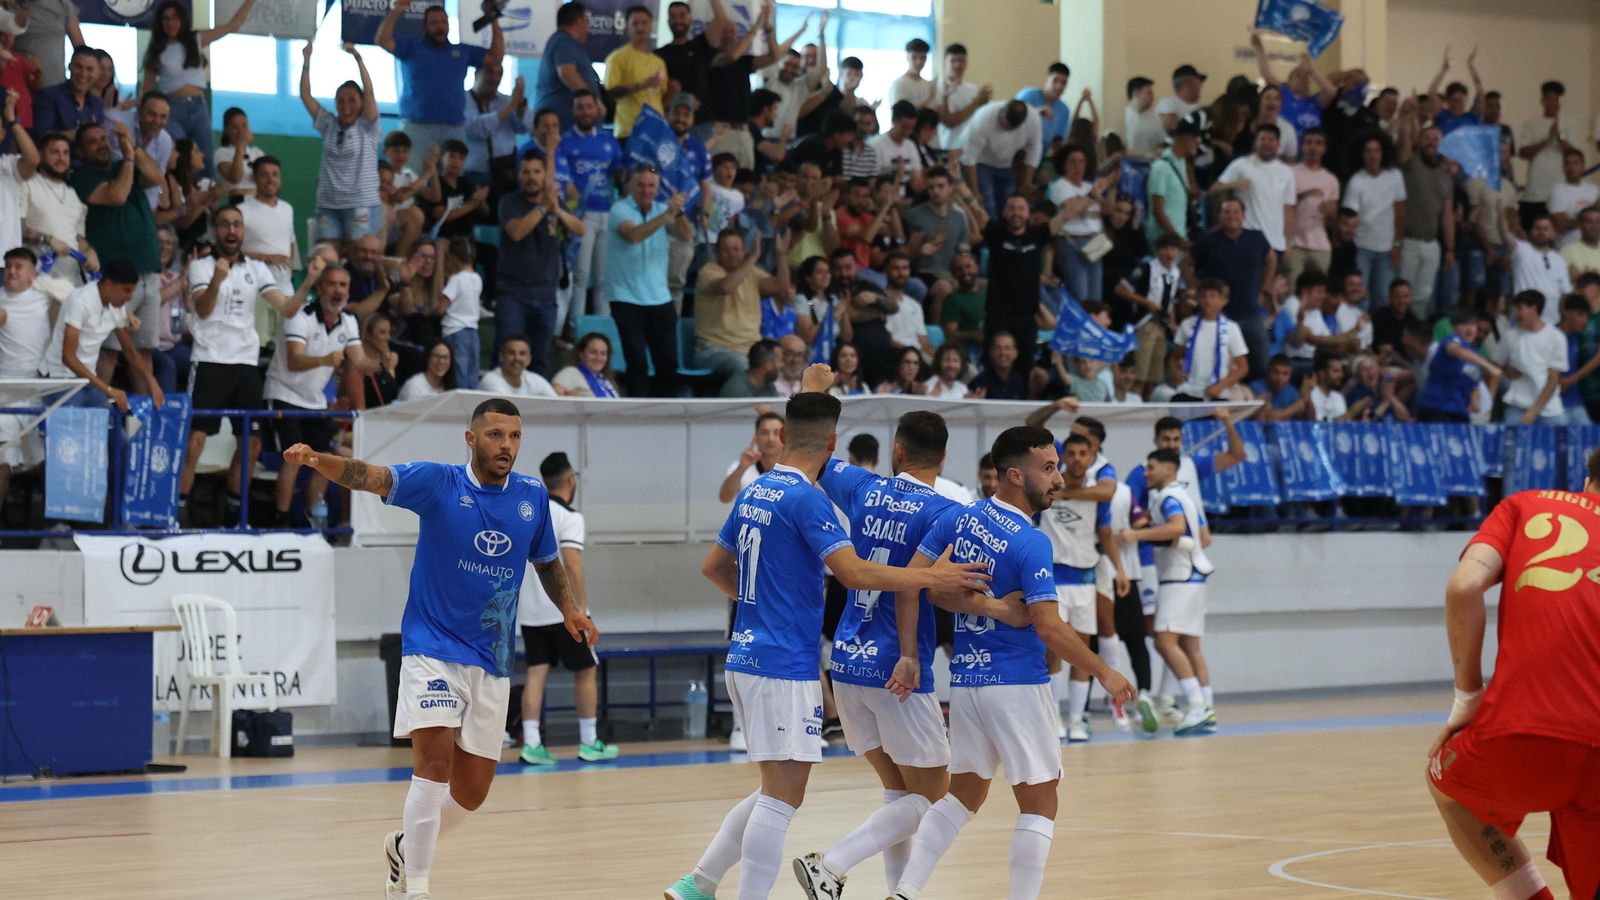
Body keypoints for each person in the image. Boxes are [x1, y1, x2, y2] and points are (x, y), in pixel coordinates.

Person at [663, 375, 992, 900]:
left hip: (772, 655)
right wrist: (935, 577)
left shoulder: (763, 487)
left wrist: (760, 607)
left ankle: (698, 882)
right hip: (809, 663)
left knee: (787, 787)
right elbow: (855, 573)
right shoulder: (815, 499)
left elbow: (713, 566)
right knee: (789, 798)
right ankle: (820, 869)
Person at [283, 399, 591, 900]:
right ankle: (417, 888)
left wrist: (571, 609)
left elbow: (548, 561)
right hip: (430, 646)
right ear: (471, 439)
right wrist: (321, 461)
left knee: (471, 794)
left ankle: (405, 846)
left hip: (491, 659)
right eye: (495, 435)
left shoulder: (532, 497)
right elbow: (371, 476)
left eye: (514, 436)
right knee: (433, 764)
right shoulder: (439, 483)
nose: (506, 446)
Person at [883, 426, 1133, 900]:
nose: (1059, 478)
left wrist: (926, 641)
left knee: (964, 796)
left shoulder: (963, 518)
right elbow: (1049, 627)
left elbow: (917, 580)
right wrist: (1105, 670)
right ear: (1016, 475)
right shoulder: (1030, 541)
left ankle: (904, 892)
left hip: (968, 681)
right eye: (1049, 468)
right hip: (1017, 683)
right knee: (1040, 801)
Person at [792, 412, 1032, 898]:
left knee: (900, 791)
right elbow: (937, 587)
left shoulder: (861, 486)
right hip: (897, 668)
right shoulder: (946, 511)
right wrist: (999, 611)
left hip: (845, 661)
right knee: (935, 796)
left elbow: (816, 457)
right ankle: (831, 864)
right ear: (944, 457)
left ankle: (897, 892)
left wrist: (812, 393)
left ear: (897, 449)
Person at [1426, 459, 1600, 900]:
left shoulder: (1525, 505)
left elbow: (1464, 588)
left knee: (1446, 784)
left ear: (1586, 483)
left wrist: (1467, 702)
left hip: (1523, 735)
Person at [179, 208, 321, 522]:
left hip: (245, 363)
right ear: (215, 230)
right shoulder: (201, 266)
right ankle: (180, 513)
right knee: (194, 443)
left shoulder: (257, 269)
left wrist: (309, 279)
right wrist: (217, 280)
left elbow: (286, 309)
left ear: (244, 231)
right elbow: (202, 311)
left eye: (237, 225)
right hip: (209, 360)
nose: (231, 230)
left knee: (252, 444)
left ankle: (234, 514)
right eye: (225, 224)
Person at [516, 451, 618, 766]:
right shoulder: (570, 517)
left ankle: (531, 743)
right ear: (571, 481)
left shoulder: (528, 510)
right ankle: (589, 742)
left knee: (536, 671)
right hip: (563, 610)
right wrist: (580, 609)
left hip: (529, 610)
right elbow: (571, 564)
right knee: (586, 670)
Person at [1121, 448, 1214, 736]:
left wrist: (1138, 535)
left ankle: (1197, 705)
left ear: (1169, 469)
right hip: (1194, 575)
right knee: (1190, 646)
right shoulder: (1183, 496)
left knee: (1163, 640)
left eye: (1151, 467)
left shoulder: (1168, 497)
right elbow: (1197, 537)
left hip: (1180, 577)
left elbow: (1176, 528)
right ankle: (1207, 707)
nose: (1146, 473)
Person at [264, 264, 364, 527]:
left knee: (325, 459)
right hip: (284, 393)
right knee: (295, 457)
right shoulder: (300, 315)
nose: (338, 290)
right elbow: (294, 362)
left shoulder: (349, 321)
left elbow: (361, 362)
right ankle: (281, 520)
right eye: (332, 284)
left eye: (343, 285)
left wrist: (383, 359)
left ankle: (312, 517)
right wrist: (326, 359)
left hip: (314, 401)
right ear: (320, 288)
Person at [71, 121, 164, 393]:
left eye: (104, 138)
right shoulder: (81, 176)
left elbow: (157, 177)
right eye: (93, 141)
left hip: (148, 271)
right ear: (81, 150)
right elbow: (118, 195)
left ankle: (140, 422)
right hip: (115, 278)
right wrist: (129, 159)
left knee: (143, 351)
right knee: (109, 349)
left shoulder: (124, 166)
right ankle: (98, 411)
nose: (102, 144)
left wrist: (131, 146)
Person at [140, 0, 255, 176]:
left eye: (175, 18)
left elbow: (233, 26)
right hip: (172, 109)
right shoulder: (156, 51)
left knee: (205, 158)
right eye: (166, 19)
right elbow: (146, 93)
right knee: (180, 157)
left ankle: (205, 200)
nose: (171, 23)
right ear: (160, 23)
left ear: (182, 20)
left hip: (198, 106)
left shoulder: (195, 39)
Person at [495, 150, 585, 375]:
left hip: (546, 296)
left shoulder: (555, 203)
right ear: (519, 175)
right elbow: (517, 232)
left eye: (537, 172)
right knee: (506, 357)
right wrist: (543, 208)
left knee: (538, 361)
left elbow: (580, 229)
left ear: (545, 175)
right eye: (526, 172)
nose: (531, 177)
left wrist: (557, 211)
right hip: (513, 294)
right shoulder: (509, 202)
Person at [608, 165, 691, 398]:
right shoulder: (619, 209)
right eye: (641, 185)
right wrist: (666, 215)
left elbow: (687, 235)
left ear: (658, 188)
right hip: (625, 296)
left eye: (651, 185)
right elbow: (633, 236)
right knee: (636, 362)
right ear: (632, 186)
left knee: (668, 362)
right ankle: (637, 415)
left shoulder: (663, 209)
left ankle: (667, 413)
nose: (646, 190)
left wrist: (680, 211)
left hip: (659, 296)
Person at [377, 0, 503, 153]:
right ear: (425, 26)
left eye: (443, 22)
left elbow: (496, 57)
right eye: (434, 23)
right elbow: (382, 40)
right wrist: (399, 9)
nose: (440, 26)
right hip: (418, 128)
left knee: (451, 177)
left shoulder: (462, 51)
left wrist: (493, 18)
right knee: (412, 176)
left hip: (454, 129)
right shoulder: (411, 47)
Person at [41, 259, 162, 411]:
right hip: (60, 380)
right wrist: (109, 390)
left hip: (86, 382)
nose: (130, 297)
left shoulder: (117, 307)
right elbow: (69, 358)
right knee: (80, 431)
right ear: (109, 284)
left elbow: (130, 351)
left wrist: (151, 379)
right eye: (126, 290)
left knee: (111, 430)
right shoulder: (80, 302)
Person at [300, 40, 381, 250]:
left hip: (360, 203)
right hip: (328, 204)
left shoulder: (368, 125)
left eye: (352, 100)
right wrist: (306, 60)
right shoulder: (328, 124)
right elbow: (305, 95)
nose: (345, 106)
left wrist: (358, 58)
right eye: (340, 100)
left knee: (359, 256)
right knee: (326, 258)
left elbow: (370, 91)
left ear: (362, 102)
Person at [556, 90, 625, 329]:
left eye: (589, 106)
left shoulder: (609, 140)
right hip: (580, 217)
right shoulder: (564, 142)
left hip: (608, 213)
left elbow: (622, 173)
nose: (585, 112)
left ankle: (602, 328)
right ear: (573, 111)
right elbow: (564, 182)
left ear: (598, 110)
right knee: (581, 274)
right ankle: (576, 327)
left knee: (604, 278)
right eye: (580, 107)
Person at [696, 228, 790, 388]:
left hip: (751, 350)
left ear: (743, 251)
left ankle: (768, 411)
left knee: (774, 368)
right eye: (726, 250)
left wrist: (781, 255)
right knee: (744, 369)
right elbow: (727, 287)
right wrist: (752, 257)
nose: (732, 254)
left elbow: (781, 287)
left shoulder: (752, 273)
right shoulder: (709, 271)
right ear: (716, 252)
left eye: (736, 249)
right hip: (714, 350)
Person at [1191, 198, 1273, 380]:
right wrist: (1195, 288)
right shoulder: (1208, 241)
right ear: (1220, 216)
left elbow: (1271, 258)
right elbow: (1186, 263)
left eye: (1236, 212)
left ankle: (1257, 398)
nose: (1231, 216)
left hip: (1250, 311)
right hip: (1218, 315)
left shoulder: (1256, 238)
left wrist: (1265, 288)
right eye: (1227, 212)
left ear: (1244, 215)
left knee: (1261, 362)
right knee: (1217, 363)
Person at [1212, 123, 1295, 256]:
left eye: (1270, 140)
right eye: (1262, 139)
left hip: (1275, 242)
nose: (1266, 143)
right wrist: (1232, 185)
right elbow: (1213, 190)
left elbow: (1289, 210)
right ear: (1256, 142)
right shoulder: (1241, 164)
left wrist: (1289, 243)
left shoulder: (1287, 172)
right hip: (1245, 237)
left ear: (1278, 144)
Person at [1344, 132, 1406, 301]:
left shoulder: (1395, 176)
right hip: (1362, 246)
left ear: (1383, 153)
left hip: (1387, 248)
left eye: (1377, 150)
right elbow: (1350, 216)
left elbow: (1400, 213)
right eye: (1368, 151)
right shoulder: (1356, 181)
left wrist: (1397, 245)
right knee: (1360, 297)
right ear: (1362, 155)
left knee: (1383, 296)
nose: (1373, 155)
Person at [956, 99, 1041, 219]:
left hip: (1006, 165)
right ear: (1001, 111)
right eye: (1003, 123)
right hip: (980, 163)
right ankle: (992, 234)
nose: (1005, 129)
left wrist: (1027, 182)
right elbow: (970, 157)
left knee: (1010, 204)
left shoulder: (1033, 120)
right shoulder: (983, 118)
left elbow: (1034, 149)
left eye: (1010, 128)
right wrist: (975, 191)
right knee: (988, 204)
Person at [1494, 290, 1567, 424]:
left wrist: (1533, 411)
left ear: (1533, 308)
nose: (1516, 314)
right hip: (1517, 405)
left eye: (1520, 309)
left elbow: (1553, 379)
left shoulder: (1556, 337)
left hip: (1550, 408)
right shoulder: (1509, 336)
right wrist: (1507, 370)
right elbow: (1495, 365)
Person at [1171, 278, 1248, 402]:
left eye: (1213, 296)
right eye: (1204, 296)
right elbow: (1174, 357)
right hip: (1188, 390)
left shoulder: (1231, 328)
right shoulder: (1187, 325)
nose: (1207, 300)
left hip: (1217, 393)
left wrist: (1221, 386)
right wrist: (1176, 374)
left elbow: (1243, 367)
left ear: (1224, 301)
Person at [1517, 80, 1578, 227]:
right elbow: (1523, 153)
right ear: (1542, 101)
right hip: (1536, 192)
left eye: (1556, 99)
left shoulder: (1569, 124)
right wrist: (1546, 140)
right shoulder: (1530, 124)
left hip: (1560, 189)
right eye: (1549, 98)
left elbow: (1574, 154)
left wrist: (1560, 138)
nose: (1553, 103)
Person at [1285, 128, 1339, 289]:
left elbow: (1332, 221)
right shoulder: (1290, 173)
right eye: (1309, 142)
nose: (1313, 147)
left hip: (1320, 244)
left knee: (1318, 293)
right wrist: (1305, 195)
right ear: (1302, 146)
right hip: (1294, 244)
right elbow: (1282, 207)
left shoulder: (1331, 179)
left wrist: (1330, 213)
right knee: (1293, 292)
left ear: (1324, 149)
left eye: (1318, 143)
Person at [603, 5, 667, 139]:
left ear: (651, 26)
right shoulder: (617, 57)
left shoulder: (659, 62)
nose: (640, 28)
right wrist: (641, 85)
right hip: (630, 132)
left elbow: (662, 96)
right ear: (627, 27)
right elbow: (610, 93)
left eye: (645, 23)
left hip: (656, 132)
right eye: (635, 24)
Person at [535, 2, 601, 132]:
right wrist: (592, 102)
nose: (588, 27)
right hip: (561, 126)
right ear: (579, 21)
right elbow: (566, 73)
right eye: (586, 21)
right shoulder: (564, 41)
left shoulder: (566, 43)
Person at [1505, 214, 1573, 326]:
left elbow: (1565, 293)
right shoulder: (1521, 250)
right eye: (1537, 228)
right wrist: (1500, 210)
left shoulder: (1559, 259)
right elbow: (1505, 235)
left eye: (1546, 229)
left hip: (1552, 320)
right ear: (1531, 231)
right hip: (1523, 320)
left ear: (1553, 233)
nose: (1541, 232)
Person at [1145, 114, 1200, 247]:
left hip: (1179, 236)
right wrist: (1177, 240)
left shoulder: (1182, 164)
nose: (1197, 143)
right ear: (1186, 139)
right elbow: (1157, 210)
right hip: (1163, 241)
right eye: (1195, 139)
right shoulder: (1161, 167)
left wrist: (1190, 168)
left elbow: (1194, 193)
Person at [30, 46, 103, 139]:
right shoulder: (48, 96)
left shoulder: (97, 104)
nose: (83, 74)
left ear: (97, 74)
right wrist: (81, 135)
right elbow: (41, 136)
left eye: (89, 69)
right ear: (69, 66)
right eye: (79, 67)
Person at [717, 410, 783, 504]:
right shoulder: (740, 466)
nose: (770, 439)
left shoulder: (796, 470)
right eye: (764, 432)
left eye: (776, 433)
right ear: (755, 437)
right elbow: (724, 498)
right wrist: (742, 467)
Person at [1016, 63, 1072, 160]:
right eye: (1055, 81)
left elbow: (1057, 141)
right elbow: (1013, 119)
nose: (1059, 86)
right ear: (1047, 79)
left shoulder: (1064, 110)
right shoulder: (1028, 96)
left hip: (1039, 158)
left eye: (1064, 83)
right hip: (1015, 154)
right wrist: (1036, 112)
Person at [479, 334, 557, 398]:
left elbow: (556, 404)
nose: (517, 358)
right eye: (511, 353)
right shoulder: (490, 380)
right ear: (501, 357)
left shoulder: (535, 380)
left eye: (522, 353)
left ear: (529, 359)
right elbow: (507, 411)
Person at [552, 331, 621, 398]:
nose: (598, 358)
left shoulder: (606, 380)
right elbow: (554, 400)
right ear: (581, 354)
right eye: (593, 352)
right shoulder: (570, 372)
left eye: (603, 353)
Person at [887, 38, 934, 112]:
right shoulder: (899, 84)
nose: (919, 62)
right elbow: (901, 115)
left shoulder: (929, 85)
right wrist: (929, 99)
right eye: (914, 57)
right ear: (907, 57)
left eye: (923, 58)